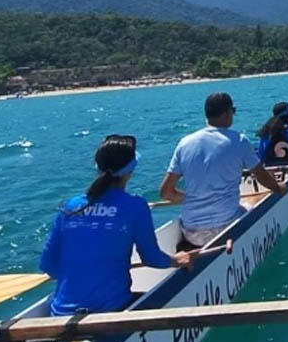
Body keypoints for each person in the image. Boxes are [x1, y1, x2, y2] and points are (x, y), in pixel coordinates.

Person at [40, 135, 193, 316]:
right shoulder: (135, 206)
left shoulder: (70, 207)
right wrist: (177, 260)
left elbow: (49, 265)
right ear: (130, 171)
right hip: (112, 310)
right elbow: (151, 258)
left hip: (60, 314)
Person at [160, 92, 287, 247]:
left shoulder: (184, 143)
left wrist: (193, 198)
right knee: (256, 198)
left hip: (191, 233)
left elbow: (166, 193)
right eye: (232, 111)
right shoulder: (238, 140)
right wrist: (279, 188)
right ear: (227, 113)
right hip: (225, 229)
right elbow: (262, 177)